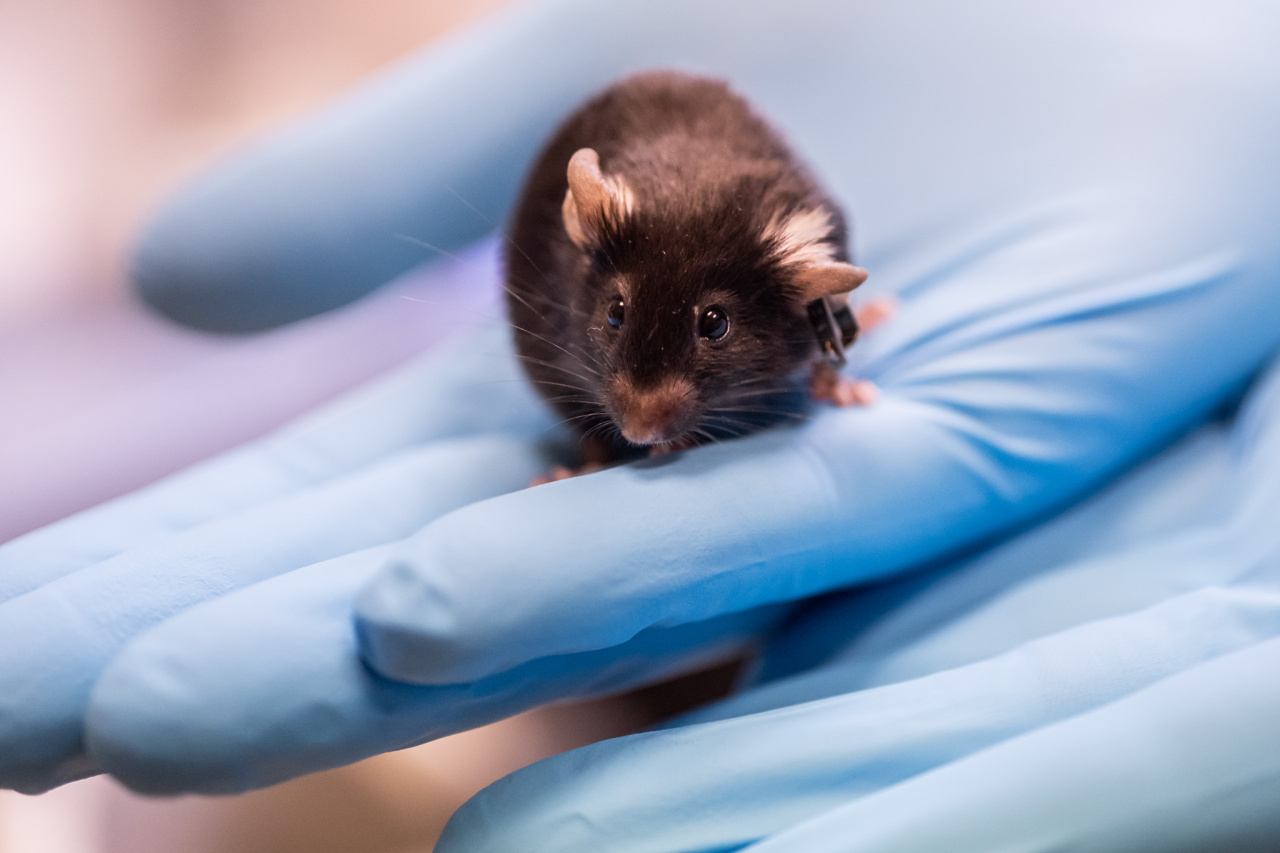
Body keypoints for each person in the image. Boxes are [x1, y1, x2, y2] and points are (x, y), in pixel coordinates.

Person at [4, 0, 1280, 849]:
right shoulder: (574, 268)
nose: (650, 401)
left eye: (715, 337)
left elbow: (794, 282)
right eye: (622, 334)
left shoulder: (801, 255)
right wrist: (584, 435)